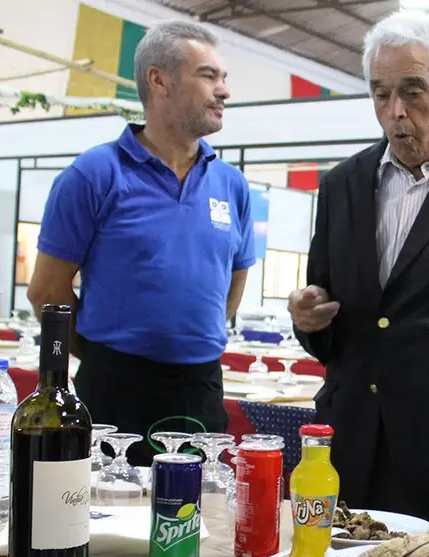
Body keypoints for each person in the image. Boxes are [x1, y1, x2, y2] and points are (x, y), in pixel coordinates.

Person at [289, 10, 429, 519]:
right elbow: (328, 302)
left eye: (413, 91)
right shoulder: (343, 185)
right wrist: (309, 316)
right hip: (350, 438)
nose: (395, 111)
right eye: (381, 94)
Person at [29, 20, 255, 466]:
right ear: (159, 80)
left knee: (198, 521)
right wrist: (105, 356)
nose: (224, 91)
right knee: (106, 519)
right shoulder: (94, 175)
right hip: (117, 385)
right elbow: (46, 292)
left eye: (223, 78)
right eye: (209, 76)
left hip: (202, 387)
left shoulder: (232, 185)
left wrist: (182, 337)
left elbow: (232, 285)